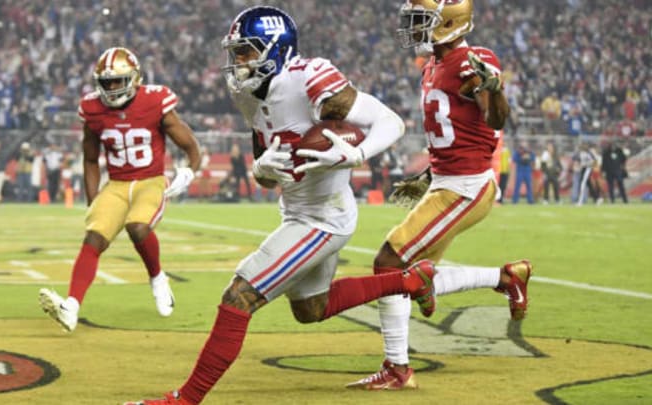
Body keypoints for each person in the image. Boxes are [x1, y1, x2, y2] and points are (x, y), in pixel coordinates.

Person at [125, 6, 435, 404]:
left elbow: (391, 122)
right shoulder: (247, 92)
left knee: (239, 295)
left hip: (324, 218)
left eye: (246, 52)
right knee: (311, 309)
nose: (237, 62)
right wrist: (260, 169)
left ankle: (185, 399)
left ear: (276, 48)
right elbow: (270, 173)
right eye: (235, 52)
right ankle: (410, 280)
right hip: (299, 210)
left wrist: (354, 156)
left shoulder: (308, 78)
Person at [346, 0, 532, 391]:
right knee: (411, 279)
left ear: (447, 22)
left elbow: (495, 119)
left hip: (466, 187)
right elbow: (459, 131)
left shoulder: (471, 61)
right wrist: (431, 174)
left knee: (389, 264)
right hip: (447, 181)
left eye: (420, 21)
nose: (413, 29)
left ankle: (397, 370)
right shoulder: (433, 64)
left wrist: (494, 89)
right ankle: (507, 277)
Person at [38, 47, 201, 333]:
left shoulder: (155, 100)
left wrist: (189, 170)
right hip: (116, 184)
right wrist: (93, 200)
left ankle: (158, 278)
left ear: (135, 79)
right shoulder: (92, 109)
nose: (112, 88)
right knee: (94, 238)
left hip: (150, 180)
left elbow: (189, 145)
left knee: (137, 227)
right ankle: (71, 307)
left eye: (118, 81)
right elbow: (90, 158)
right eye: (106, 82)